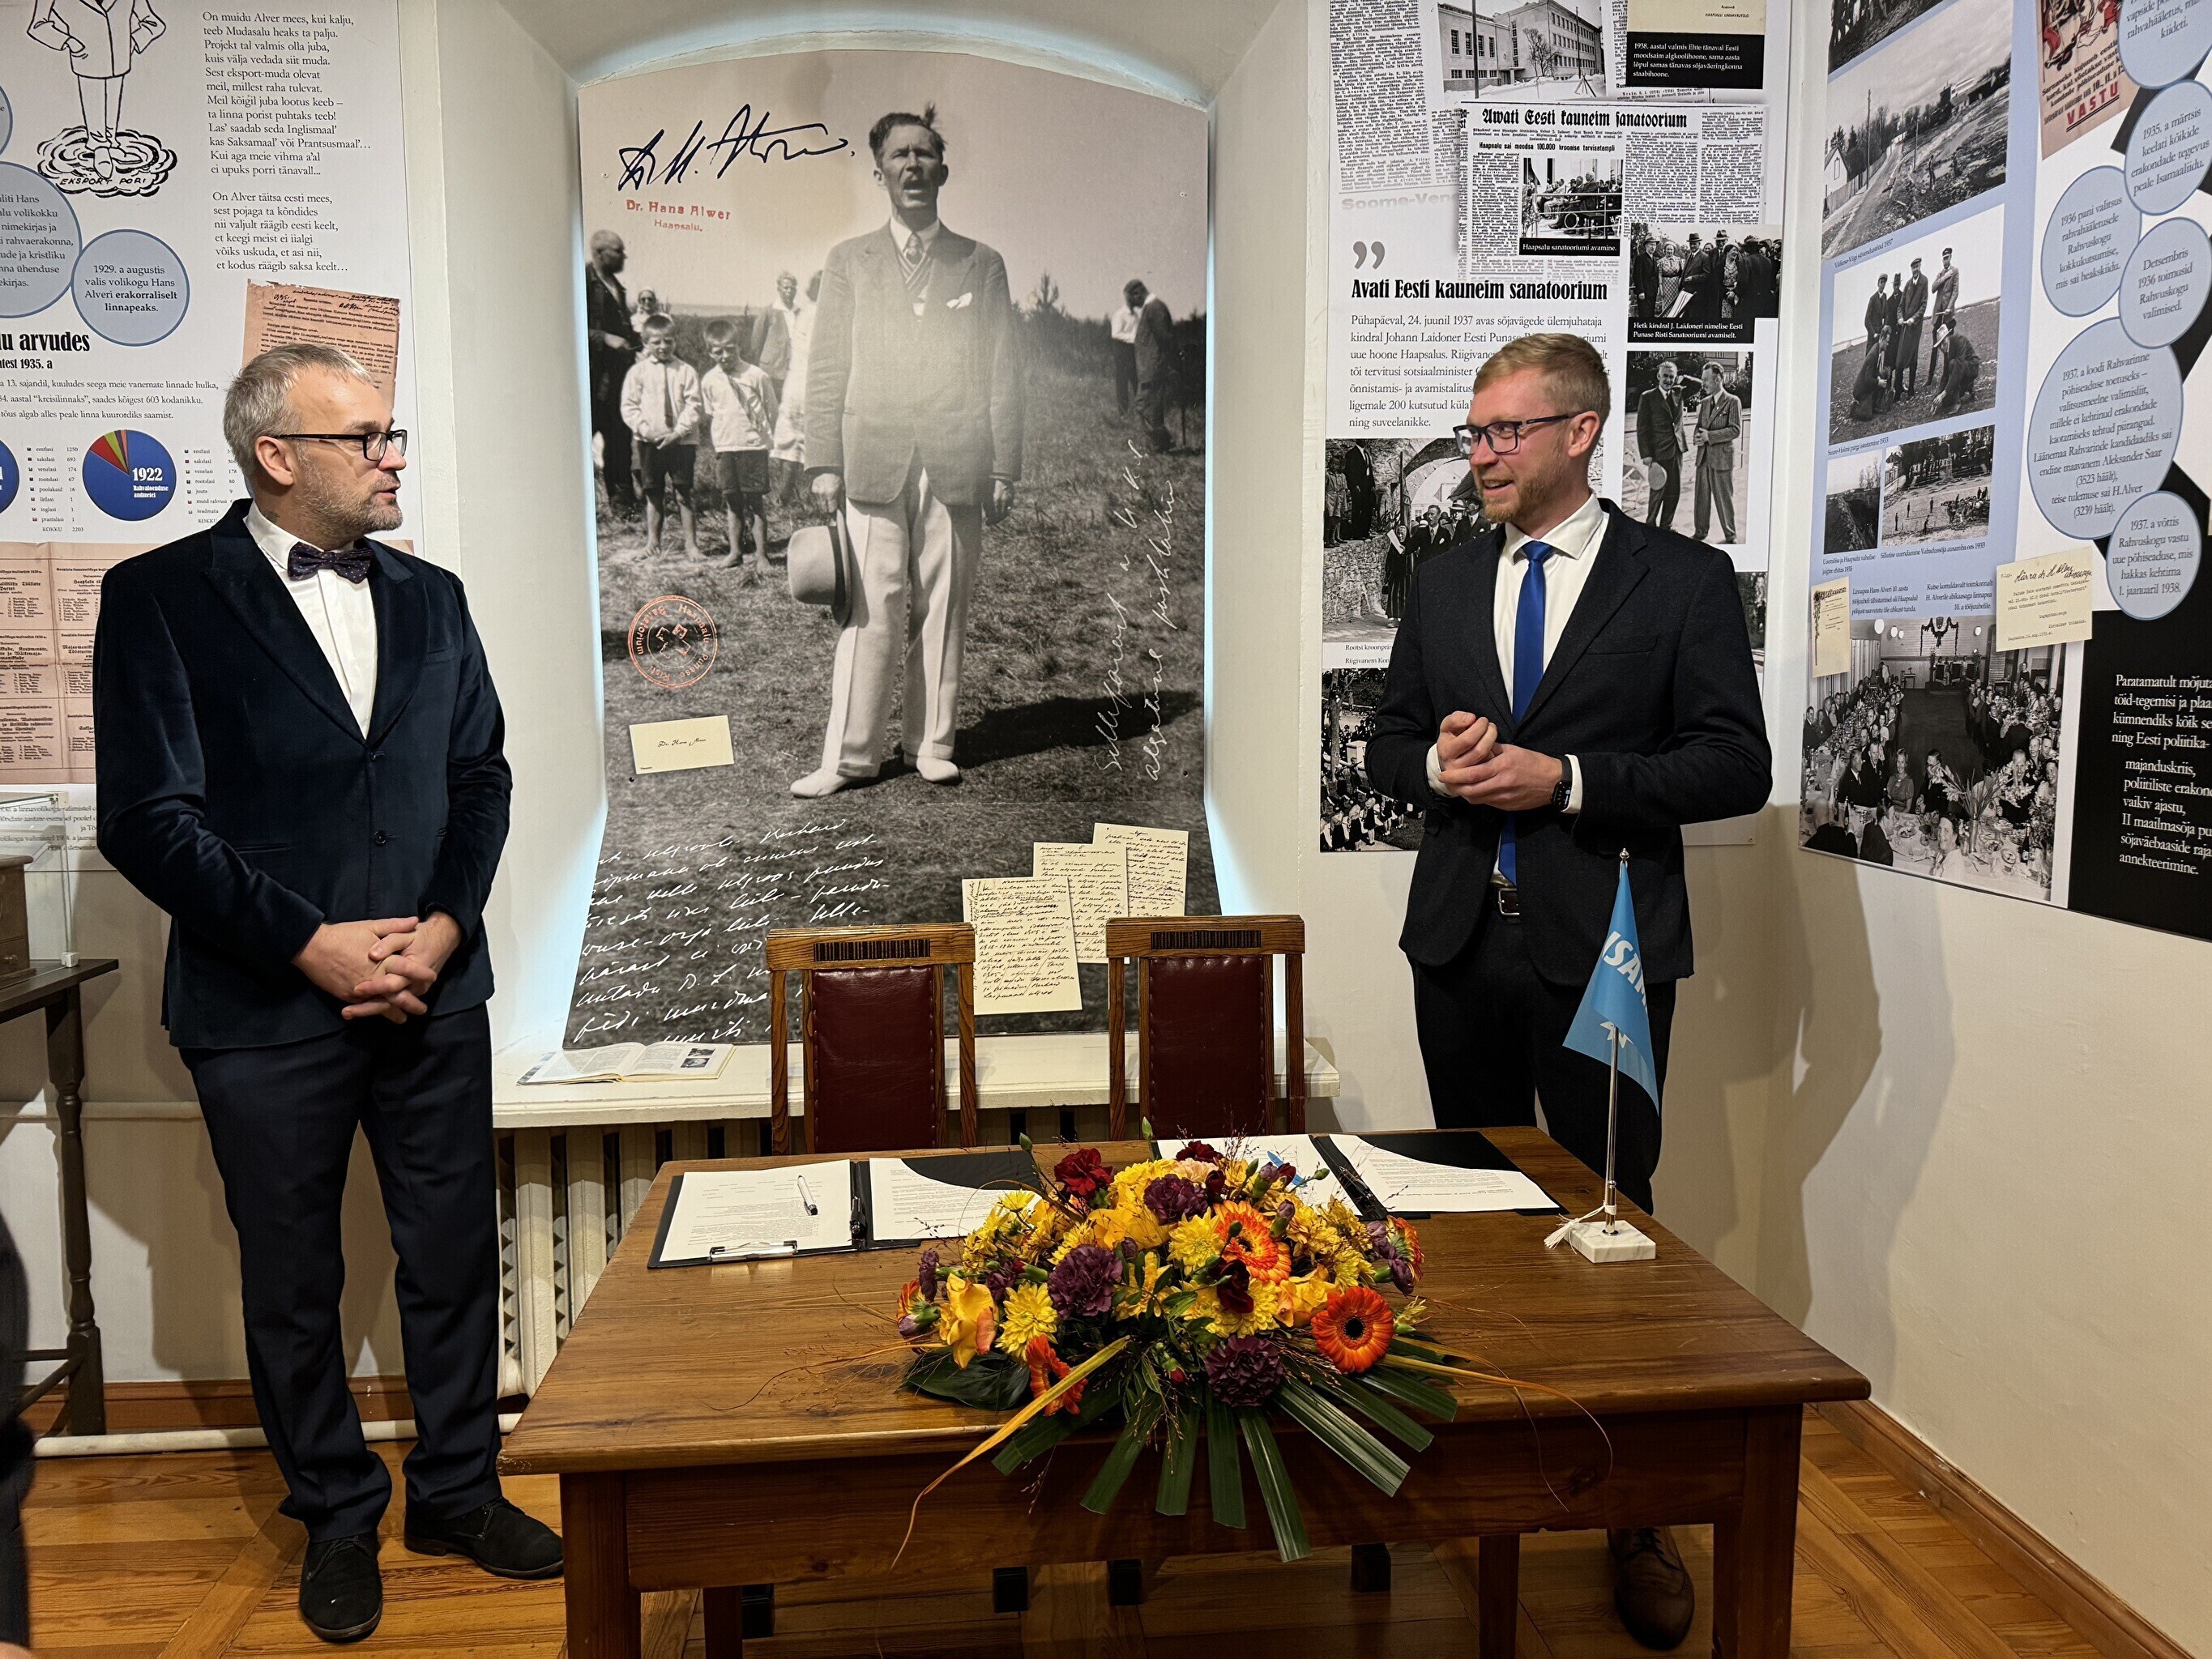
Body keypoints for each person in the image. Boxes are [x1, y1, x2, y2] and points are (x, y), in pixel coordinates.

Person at [91, 343, 559, 1644]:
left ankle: (459, 1493)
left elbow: (480, 779)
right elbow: (148, 818)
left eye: (392, 433)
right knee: (293, 1280)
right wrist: (310, 944)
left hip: (433, 994)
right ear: (277, 456)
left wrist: (444, 930)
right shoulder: (158, 595)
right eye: (367, 438)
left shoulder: (434, 596)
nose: (393, 457)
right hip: (262, 1007)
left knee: (452, 1257)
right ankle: (337, 1517)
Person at [1365, 332, 1768, 1655]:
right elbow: (1388, 742)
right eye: (1472, 432)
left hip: (1607, 955)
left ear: (1581, 431)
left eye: (1503, 432)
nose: (1478, 455)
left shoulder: (1682, 582)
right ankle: (1475, 1467)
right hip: (1458, 948)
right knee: (1469, 1218)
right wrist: (1442, 763)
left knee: (1611, 1220)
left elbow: (1733, 765)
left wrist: (1570, 782)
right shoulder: (1443, 578)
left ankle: (1631, 1513)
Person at [792, 105, 1022, 797]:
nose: (914, 165)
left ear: (943, 172)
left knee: (944, 607)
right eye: (900, 155)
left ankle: (931, 744)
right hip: (871, 454)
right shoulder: (848, 261)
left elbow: (1003, 370)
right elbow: (827, 366)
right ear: (880, 173)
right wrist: (822, 460)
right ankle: (850, 758)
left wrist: (1005, 464)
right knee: (868, 608)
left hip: (959, 457)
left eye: (926, 154)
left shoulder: (981, 262)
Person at [700, 320, 779, 581]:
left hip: (752, 447)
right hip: (726, 447)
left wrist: (767, 440)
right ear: (710, 352)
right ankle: (735, 552)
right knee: (732, 502)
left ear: (739, 347)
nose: (725, 356)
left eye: (730, 349)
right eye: (718, 351)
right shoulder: (709, 380)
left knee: (755, 502)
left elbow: (771, 410)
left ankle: (761, 555)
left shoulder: (756, 376)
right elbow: (712, 413)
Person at [621, 315, 703, 558]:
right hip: (651, 443)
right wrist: (648, 431)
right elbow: (629, 406)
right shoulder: (638, 372)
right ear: (645, 342)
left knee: (684, 493)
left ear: (676, 340)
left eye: (669, 341)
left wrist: (677, 433)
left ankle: (691, 545)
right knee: (654, 493)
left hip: (682, 442)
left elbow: (695, 406)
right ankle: (653, 543)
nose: (663, 346)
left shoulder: (686, 371)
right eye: (656, 342)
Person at [583, 230, 641, 518]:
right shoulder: (581, 281)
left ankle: (623, 506)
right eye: (618, 251)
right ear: (599, 253)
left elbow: (624, 332)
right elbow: (566, 325)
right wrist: (604, 338)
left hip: (618, 379)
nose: (623, 256)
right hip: (591, 380)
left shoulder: (617, 287)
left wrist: (643, 342)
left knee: (619, 441)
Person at [1691, 362, 1741, 544]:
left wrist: (1709, 436)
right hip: (1703, 458)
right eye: (1702, 379)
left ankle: (1731, 535)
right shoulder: (1705, 403)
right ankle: (1700, 533)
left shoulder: (1733, 401)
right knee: (1701, 498)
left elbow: (1735, 430)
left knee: (1724, 499)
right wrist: (1697, 437)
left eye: (1706, 380)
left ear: (1718, 379)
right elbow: (1699, 426)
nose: (1703, 384)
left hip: (1721, 458)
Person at [1635, 358, 1685, 530]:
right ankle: (1650, 526)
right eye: (1665, 376)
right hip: (1658, 453)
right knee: (1658, 491)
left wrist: (1682, 379)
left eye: (1672, 376)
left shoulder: (1678, 393)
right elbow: (1642, 428)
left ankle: (1666, 526)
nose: (1668, 380)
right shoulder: (1648, 397)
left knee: (1674, 492)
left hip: (1676, 451)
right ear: (1658, 376)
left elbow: (1699, 385)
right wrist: (1646, 454)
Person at [1132, 279, 1176, 454]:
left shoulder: (1155, 308)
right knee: (1150, 406)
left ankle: (1162, 443)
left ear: (1138, 293)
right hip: (1149, 367)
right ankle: (1162, 445)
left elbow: (1165, 337)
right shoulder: (1152, 308)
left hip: (1154, 367)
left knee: (1144, 405)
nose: (1133, 304)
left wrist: (1165, 363)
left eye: (1133, 298)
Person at [751, 270, 803, 403]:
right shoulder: (768, 312)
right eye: (786, 288)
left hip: (793, 367)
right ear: (779, 289)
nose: (789, 291)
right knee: (771, 402)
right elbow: (757, 342)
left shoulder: (799, 312)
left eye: (792, 288)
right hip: (772, 369)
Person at [1894, 258, 1928, 398]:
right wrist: (1900, 318)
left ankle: (1911, 389)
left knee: (1913, 358)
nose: (1915, 270)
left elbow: (1923, 305)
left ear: (1920, 266)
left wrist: (1913, 319)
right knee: (1900, 359)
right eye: (1913, 267)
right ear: (1911, 269)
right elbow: (1900, 306)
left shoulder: (1924, 281)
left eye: (1917, 267)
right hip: (1905, 327)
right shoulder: (1908, 284)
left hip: (1915, 327)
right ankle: (1897, 390)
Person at [1110, 281, 1143, 415]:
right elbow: (1116, 334)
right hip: (1122, 351)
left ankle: (1140, 411)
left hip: (1134, 351)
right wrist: (1133, 338)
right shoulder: (1120, 314)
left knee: (1137, 380)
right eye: (1134, 294)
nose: (1137, 297)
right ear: (1128, 296)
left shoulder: (1137, 316)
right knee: (1122, 382)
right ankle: (1123, 413)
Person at [1631, 235, 1660, 322]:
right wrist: (1641, 291)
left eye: (1654, 245)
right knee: (1644, 315)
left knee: (1651, 314)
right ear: (1646, 246)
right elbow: (1637, 276)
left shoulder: (1655, 259)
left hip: (1653, 292)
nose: (1653, 247)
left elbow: (1656, 275)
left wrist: (1658, 288)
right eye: (1651, 245)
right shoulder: (1640, 258)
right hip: (1644, 293)